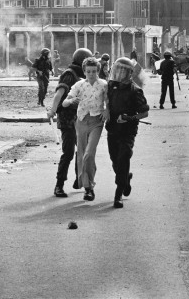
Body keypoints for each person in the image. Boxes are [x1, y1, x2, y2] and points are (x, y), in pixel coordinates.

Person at [47, 48, 93, 198]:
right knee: (68, 153)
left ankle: (82, 181)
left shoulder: (82, 76)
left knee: (83, 152)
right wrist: (53, 110)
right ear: (82, 61)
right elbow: (59, 93)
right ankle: (59, 185)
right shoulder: (69, 74)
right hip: (67, 120)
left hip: (80, 119)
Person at [62, 57, 109, 201]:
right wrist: (71, 101)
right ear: (84, 71)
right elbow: (64, 103)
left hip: (96, 121)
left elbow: (108, 101)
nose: (91, 74)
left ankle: (89, 184)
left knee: (89, 153)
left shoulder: (103, 85)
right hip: (81, 121)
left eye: (94, 71)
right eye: (88, 71)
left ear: (98, 71)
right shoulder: (79, 85)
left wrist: (107, 110)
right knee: (82, 154)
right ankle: (88, 188)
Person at [106, 57, 149, 208]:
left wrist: (130, 117)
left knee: (124, 157)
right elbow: (104, 102)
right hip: (112, 129)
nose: (120, 72)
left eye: (124, 69)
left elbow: (144, 113)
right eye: (118, 68)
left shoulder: (135, 90)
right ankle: (125, 178)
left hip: (128, 131)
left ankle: (118, 194)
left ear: (129, 72)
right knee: (115, 161)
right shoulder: (110, 86)